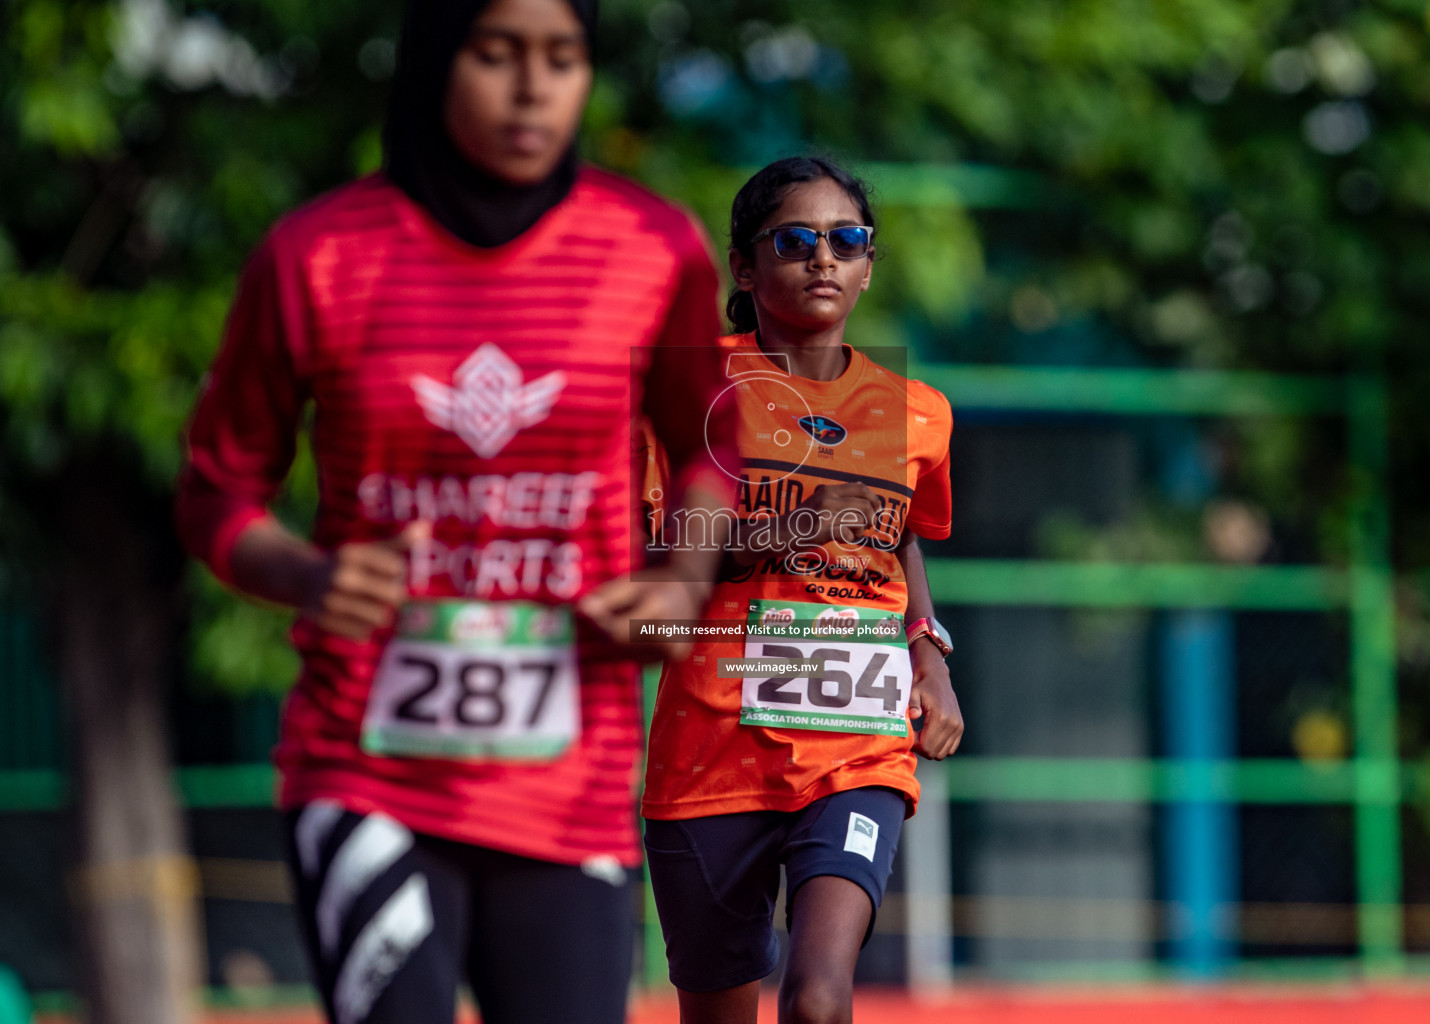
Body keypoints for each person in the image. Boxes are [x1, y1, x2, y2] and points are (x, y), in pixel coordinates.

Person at [174, 0, 738, 1021]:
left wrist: (682, 579)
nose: (533, 87)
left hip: (574, 780)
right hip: (368, 768)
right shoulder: (318, 255)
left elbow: (714, 451)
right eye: (498, 54)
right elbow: (217, 490)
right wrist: (309, 575)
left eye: (563, 59)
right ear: (438, 63)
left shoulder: (653, 250)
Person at [641, 156, 964, 1024]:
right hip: (711, 754)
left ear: (867, 265)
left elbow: (900, 536)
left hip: (855, 747)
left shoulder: (918, 410)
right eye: (795, 240)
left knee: (819, 999)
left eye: (847, 240)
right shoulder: (689, 388)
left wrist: (927, 654)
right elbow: (652, 554)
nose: (824, 258)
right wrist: (794, 527)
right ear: (745, 267)